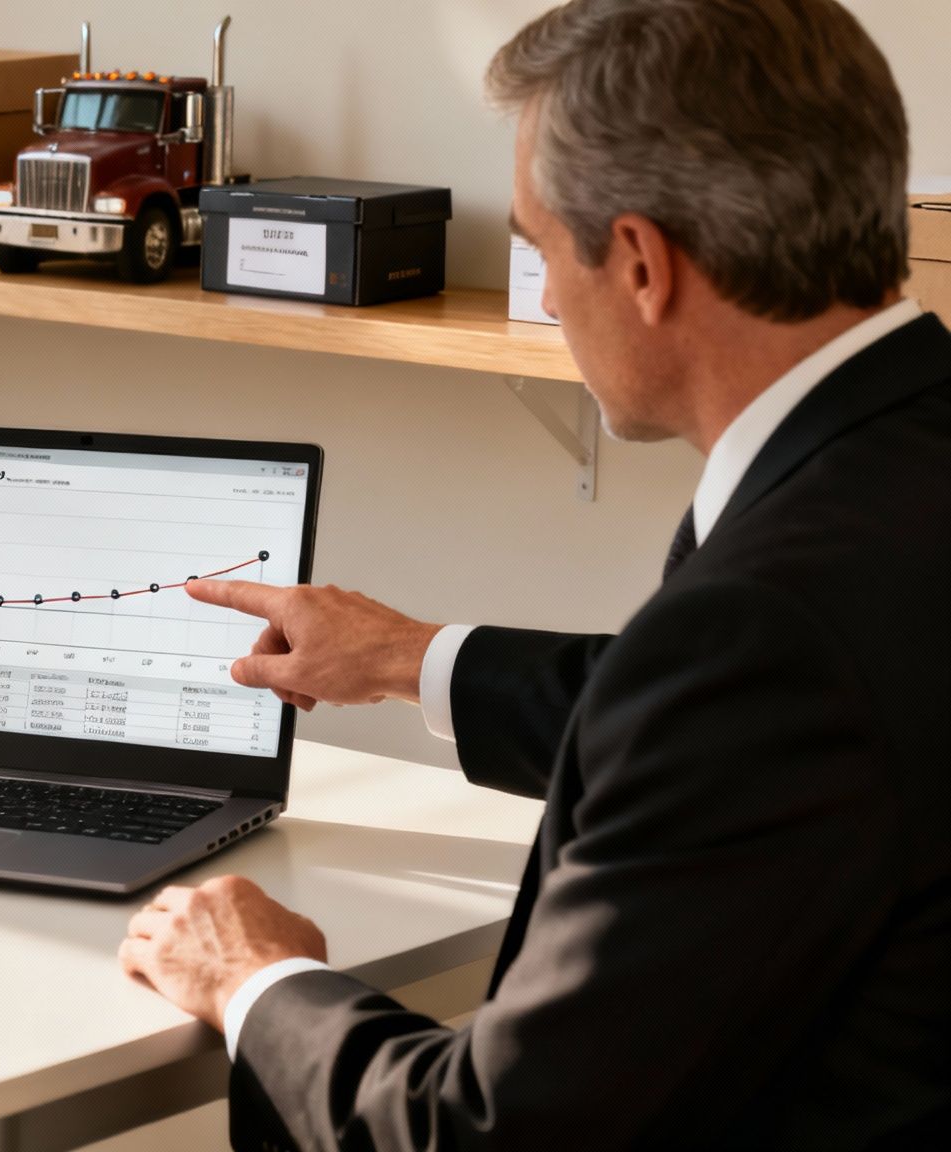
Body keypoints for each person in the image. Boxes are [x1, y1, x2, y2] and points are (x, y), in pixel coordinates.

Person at [117, 0, 951, 1148]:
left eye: (539, 249)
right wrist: (409, 658)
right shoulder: (896, 464)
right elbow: (763, 737)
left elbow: (488, 1131)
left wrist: (254, 980)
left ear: (642, 263)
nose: (546, 297)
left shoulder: (765, 628)